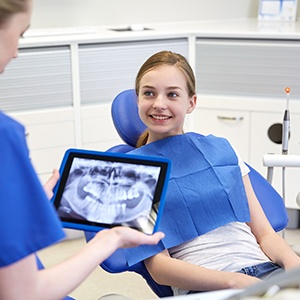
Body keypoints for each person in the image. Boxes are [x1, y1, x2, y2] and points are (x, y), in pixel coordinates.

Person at [0, 1, 164, 299]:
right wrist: (109, 240)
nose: (15, 52)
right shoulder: (4, 135)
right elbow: (23, 293)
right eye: (20, 34)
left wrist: (19, 200)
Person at [123, 50, 300, 296]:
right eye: (149, 93)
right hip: (207, 289)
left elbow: (264, 233)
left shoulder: (221, 150)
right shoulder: (129, 173)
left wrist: (293, 268)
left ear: (191, 102)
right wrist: (234, 282)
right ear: (138, 99)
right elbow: (158, 267)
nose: (159, 103)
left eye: (172, 94)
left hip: (265, 274)